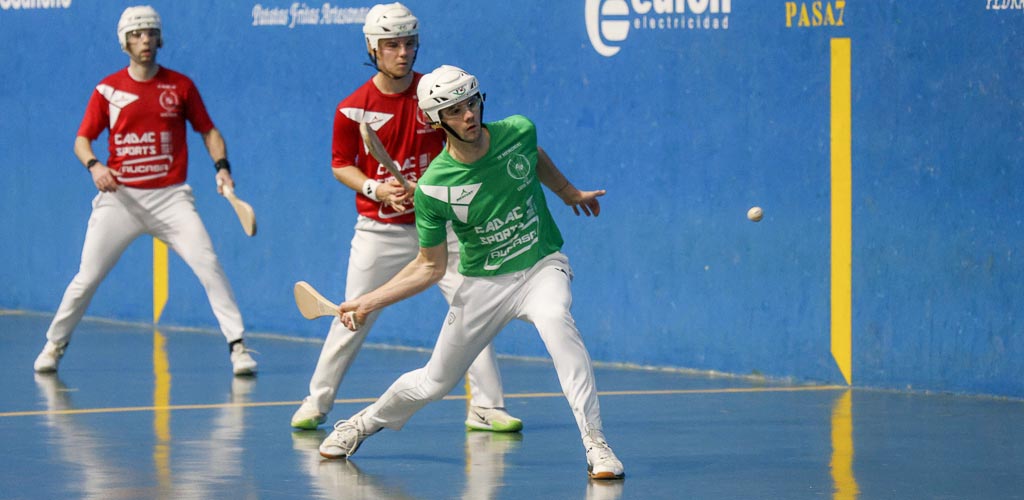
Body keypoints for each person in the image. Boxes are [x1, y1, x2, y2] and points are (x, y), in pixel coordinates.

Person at [317, 64, 625, 480]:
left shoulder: (518, 130)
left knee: (556, 319)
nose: (469, 116)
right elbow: (429, 267)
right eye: (455, 111)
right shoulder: (433, 188)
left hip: (540, 266)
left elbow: (533, 156)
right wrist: (368, 301)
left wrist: (569, 193)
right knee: (434, 382)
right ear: (436, 120)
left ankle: (596, 443)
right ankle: (362, 424)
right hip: (483, 284)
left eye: (472, 103)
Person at [289, 2, 521, 433]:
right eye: (392, 45)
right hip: (379, 231)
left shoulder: (437, 97)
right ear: (372, 49)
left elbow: (462, 151)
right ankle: (316, 402)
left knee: (473, 308)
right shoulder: (352, 108)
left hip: (442, 227)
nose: (403, 53)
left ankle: (486, 407)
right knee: (354, 314)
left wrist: (428, 189)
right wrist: (377, 189)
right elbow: (341, 165)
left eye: (409, 43)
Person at [32, 5, 257, 376]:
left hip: (171, 199)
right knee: (86, 278)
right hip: (120, 199)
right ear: (124, 42)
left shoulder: (180, 87)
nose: (145, 40)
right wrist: (95, 166)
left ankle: (238, 347)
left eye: (151, 33)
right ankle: (54, 345)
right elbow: (82, 141)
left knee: (209, 265)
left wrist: (222, 169)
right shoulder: (108, 89)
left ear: (160, 38)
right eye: (136, 35)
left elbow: (209, 132)